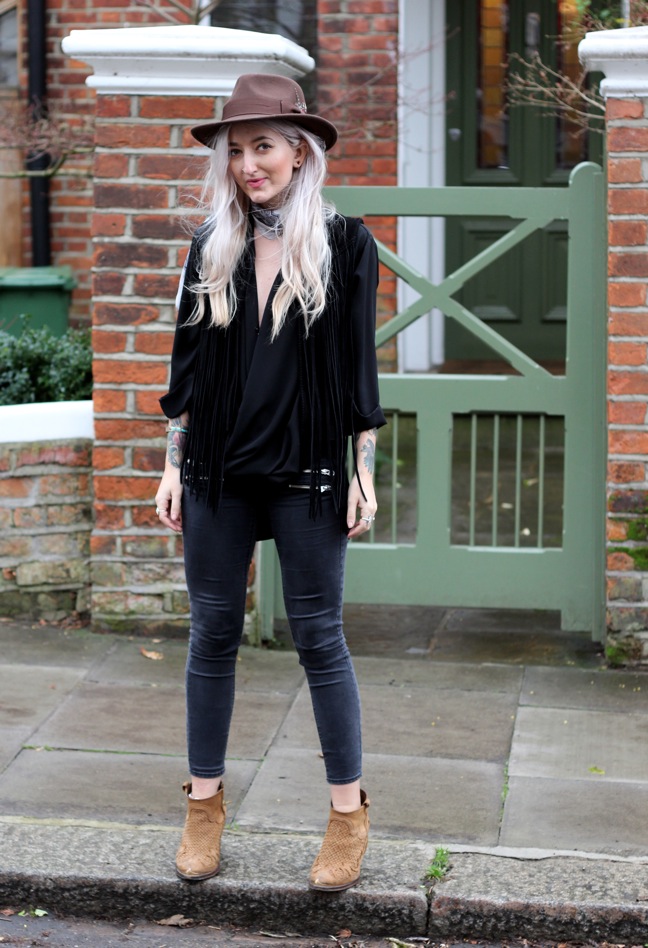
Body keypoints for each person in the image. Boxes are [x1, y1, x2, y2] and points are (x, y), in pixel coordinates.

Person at [155, 73, 386, 893]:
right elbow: (187, 368)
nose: (249, 164)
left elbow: (359, 368)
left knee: (318, 636)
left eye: (264, 147)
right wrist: (174, 462)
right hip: (217, 466)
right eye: (237, 150)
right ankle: (204, 807)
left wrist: (363, 471)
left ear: (299, 152)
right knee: (212, 634)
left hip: (308, 466)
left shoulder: (346, 244)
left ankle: (347, 814)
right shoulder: (210, 245)